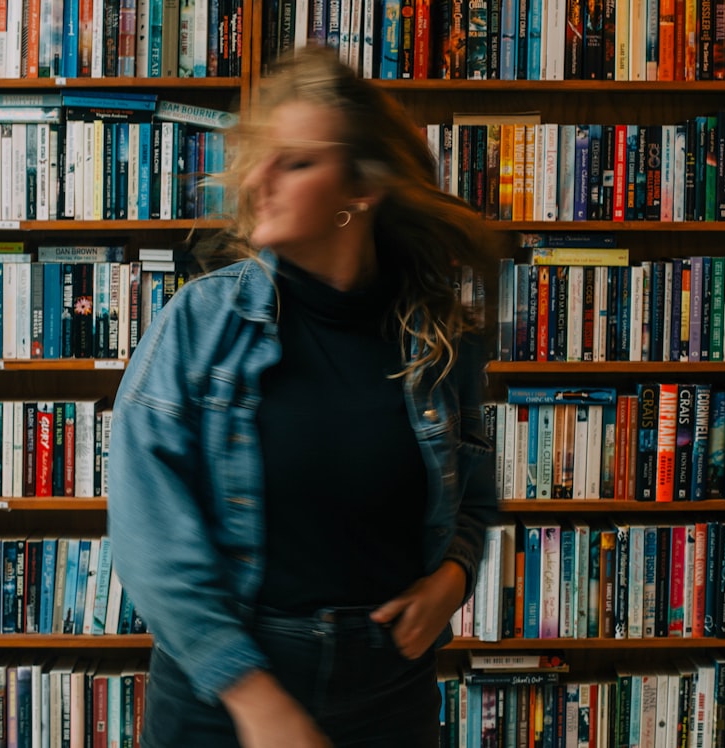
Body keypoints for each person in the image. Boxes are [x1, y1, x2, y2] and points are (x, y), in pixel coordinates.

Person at [108, 45, 501, 748]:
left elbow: (472, 493)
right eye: (260, 156)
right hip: (226, 694)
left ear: (360, 189)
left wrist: (453, 575)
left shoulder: (441, 337)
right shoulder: (200, 323)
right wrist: (253, 698)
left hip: (390, 690)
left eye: (295, 161)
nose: (257, 179)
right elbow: (148, 530)